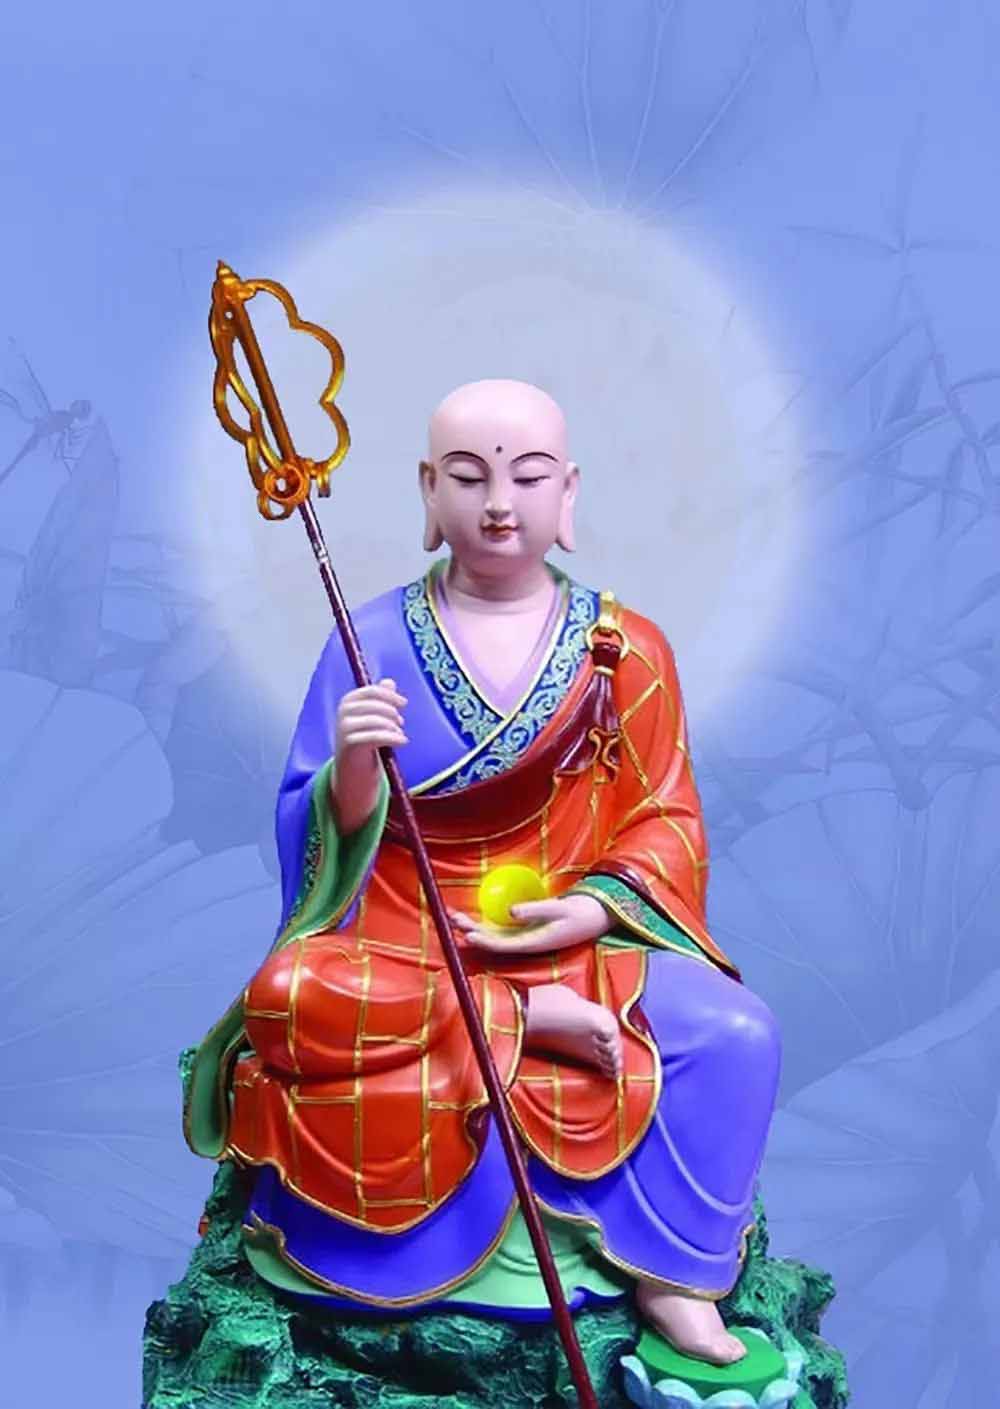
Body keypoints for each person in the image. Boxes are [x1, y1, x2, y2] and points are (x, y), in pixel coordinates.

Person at [185, 379, 782, 1367]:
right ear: (429, 491)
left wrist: (588, 909)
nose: (499, 503)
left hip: (571, 939)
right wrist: (353, 767)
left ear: (568, 491)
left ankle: (675, 1277)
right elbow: (310, 834)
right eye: (468, 477)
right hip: (407, 934)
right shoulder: (370, 638)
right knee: (285, 994)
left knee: (737, 1034)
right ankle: (529, 1021)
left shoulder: (624, 649)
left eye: (527, 476)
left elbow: (666, 823)